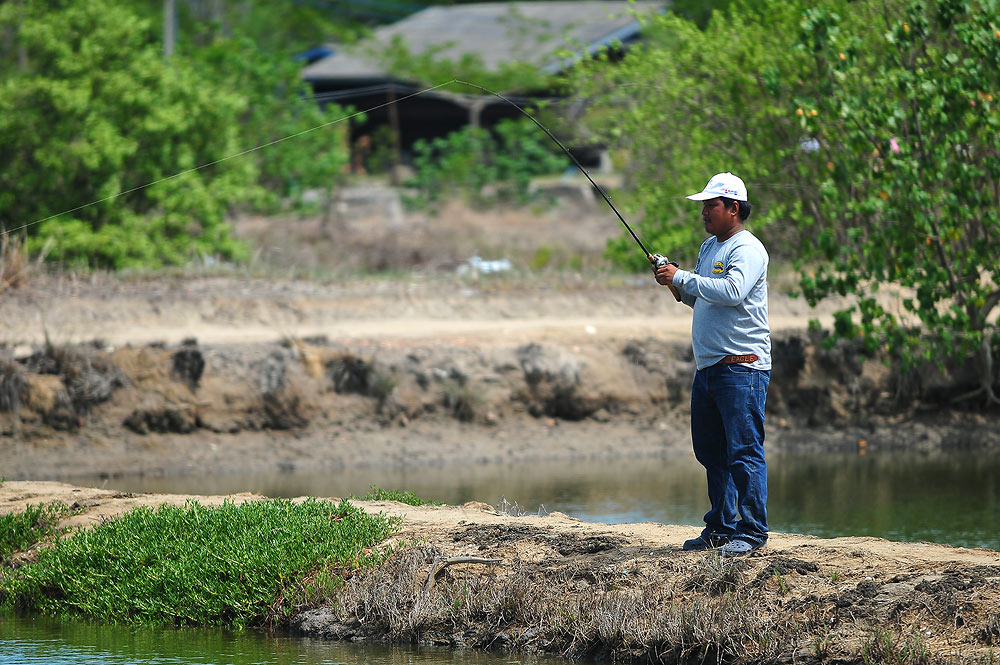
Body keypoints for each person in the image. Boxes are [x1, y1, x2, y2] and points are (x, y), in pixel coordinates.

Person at [654, 172, 771, 557]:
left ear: (733, 208)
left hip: (742, 367)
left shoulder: (747, 249)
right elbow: (703, 299)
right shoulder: (708, 248)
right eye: (704, 206)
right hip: (709, 369)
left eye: (711, 205)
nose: (704, 212)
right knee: (711, 451)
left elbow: (733, 291)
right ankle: (720, 527)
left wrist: (683, 276)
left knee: (743, 451)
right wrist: (677, 284)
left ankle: (752, 532)